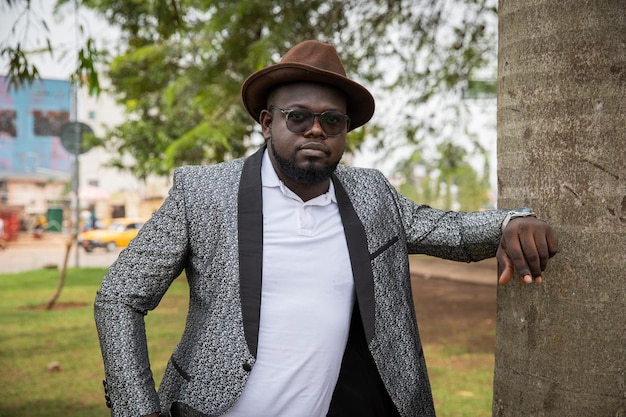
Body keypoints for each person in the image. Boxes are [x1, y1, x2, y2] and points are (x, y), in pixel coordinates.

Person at [94, 40, 558, 417]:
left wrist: (511, 220)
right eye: (298, 116)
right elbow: (119, 295)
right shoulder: (203, 192)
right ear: (267, 122)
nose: (316, 130)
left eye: (331, 120)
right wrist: (137, 409)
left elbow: (449, 230)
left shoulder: (371, 194)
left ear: (345, 131)